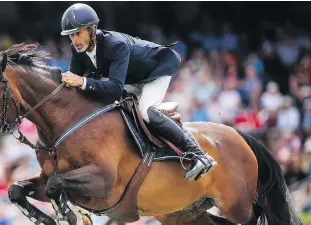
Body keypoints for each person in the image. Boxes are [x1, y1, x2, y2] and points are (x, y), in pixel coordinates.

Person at [60, 3, 217, 181]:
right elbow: (72, 86)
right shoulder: (78, 50)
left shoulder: (115, 45)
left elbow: (113, 89)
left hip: (156, 72)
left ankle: (198, 154)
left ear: (92, 29)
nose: (75, 40)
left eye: (78, 33)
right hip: (132, 80)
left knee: (146, 112)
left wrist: (82, 81)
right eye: (71, 35)